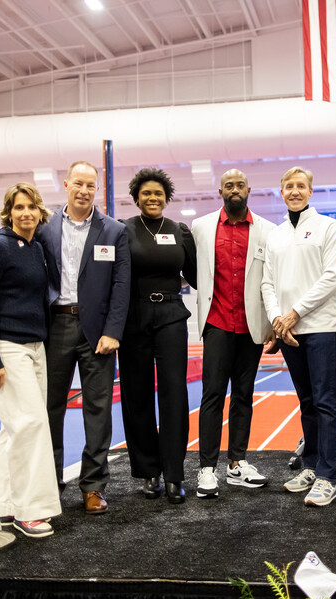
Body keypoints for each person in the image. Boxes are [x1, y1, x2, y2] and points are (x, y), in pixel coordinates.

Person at [36, 161, 130, 515]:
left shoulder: (114, 231)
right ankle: (49, 484)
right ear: (65, 185)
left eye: (91, 185)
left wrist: (113, 332)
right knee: (49, 410)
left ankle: (93, 486)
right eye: (78, 183)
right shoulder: (44, 229)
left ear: (97, 189)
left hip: (98, 333)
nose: (84, 190)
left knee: (98, 410)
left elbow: (122, 285)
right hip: (54, 327)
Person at [262, 166, 336, 507]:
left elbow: (332, 277)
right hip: (289, 331)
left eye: (300, 186)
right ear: (282, 192)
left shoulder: (328, 227)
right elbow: (267, 283)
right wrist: (278, 320)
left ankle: (328, 476)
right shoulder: (276, 235)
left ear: (310, 191)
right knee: (307, 402)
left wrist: (295, 312)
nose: (294, 191)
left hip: (320, 327)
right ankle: (310, 466)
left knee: (325, 402)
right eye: (289, 186)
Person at [192, 169, 275, 498]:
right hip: (216, 323)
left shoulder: (267, 231)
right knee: (212, 396)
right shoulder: (201, 227)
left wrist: (271, 324)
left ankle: (237, 464)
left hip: (251, 326)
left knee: (243, 396)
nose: (235, 190)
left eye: (240, 185)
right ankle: (207, 469)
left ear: (249, 190)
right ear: (221, 191)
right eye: (229, 186)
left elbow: (271, 279)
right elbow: (191, 268)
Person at [119, 168, 197, 504]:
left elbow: (196, 276)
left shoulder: (180, 231)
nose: (153, 198)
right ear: (136, 197)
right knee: (136, 396)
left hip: (170, 316)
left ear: (167, 198)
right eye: (146, 193)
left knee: (174, 394)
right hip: (133, 319)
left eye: (159, 194)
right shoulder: (123, 230)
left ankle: (174, 475)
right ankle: (148, 472)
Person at [0, 183, 61, 538]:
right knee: (32, 423)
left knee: (15, 429)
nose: (25, 213)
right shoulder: (1, 245)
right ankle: (30, 512)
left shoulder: (36, 247)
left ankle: (6, 504)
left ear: (40, 212)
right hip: (8, 345)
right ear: (10, 212)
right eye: (18, 208)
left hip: (35, 345)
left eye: (31, 207)